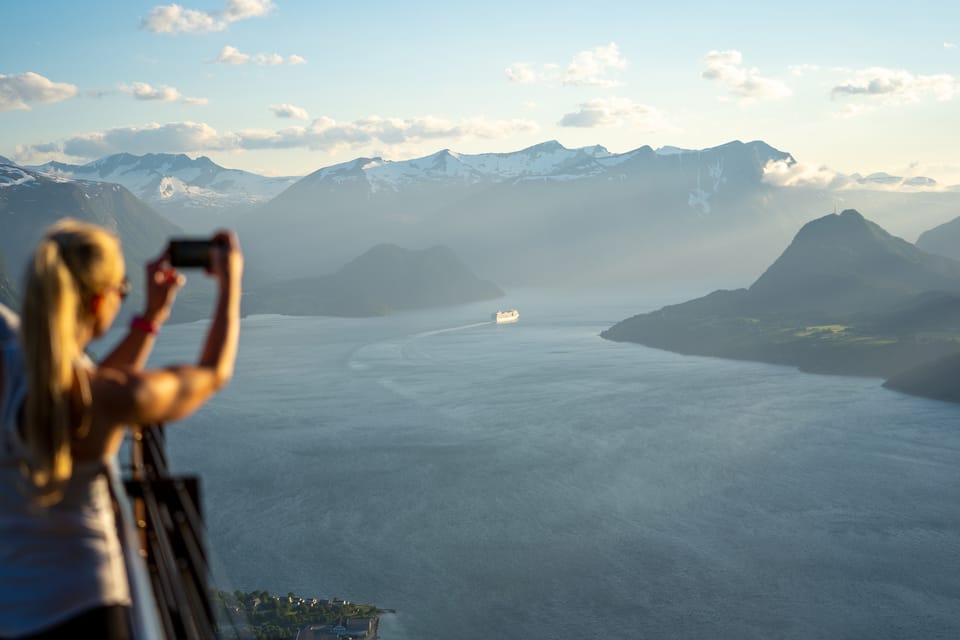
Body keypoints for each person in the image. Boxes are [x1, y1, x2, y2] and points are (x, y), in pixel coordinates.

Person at [0, 219, 242, 639]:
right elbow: (211, 373)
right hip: (88, 610)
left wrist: (151, 315)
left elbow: (74, 390)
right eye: (120, 293)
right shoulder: (102, 398)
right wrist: (230, 282)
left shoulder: (17, 377)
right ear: (98, 302)